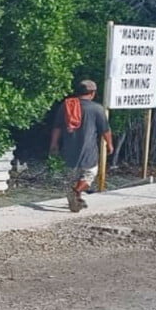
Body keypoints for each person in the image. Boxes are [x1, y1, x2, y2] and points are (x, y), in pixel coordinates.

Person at [49, 79, 113, 212]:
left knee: (75, 175)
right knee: (89, 174)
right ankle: (76, 191)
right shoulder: (97, 109)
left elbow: (57, 127)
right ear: (92, 93)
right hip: (88, 151)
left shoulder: (65, 106)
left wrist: (54, 144)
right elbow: (105, 130)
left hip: (68, 150)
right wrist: (110, 145)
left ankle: (77, 200)